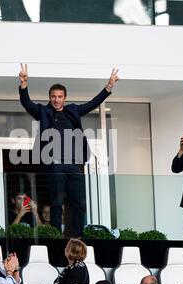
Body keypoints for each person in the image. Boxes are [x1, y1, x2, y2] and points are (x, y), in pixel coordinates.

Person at [18, 63, 119, 236]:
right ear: (49, 97)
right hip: (55, 164)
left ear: (64, 97)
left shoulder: (73, 110)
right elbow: (27, 104)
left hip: (74, 164)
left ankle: (78, 236)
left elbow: (92, 103)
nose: (56, 100)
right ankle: (57, 236)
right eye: (53, 97)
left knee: (78, 202)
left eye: (59, 96)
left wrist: (108, 86)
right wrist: (24, 84)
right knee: (56, 203)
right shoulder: (43, 111)